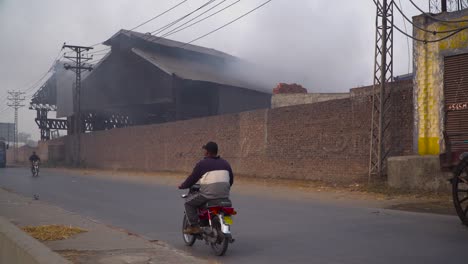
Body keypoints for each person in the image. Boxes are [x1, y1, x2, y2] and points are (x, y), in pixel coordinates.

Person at [178, 141, 234, 234]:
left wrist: (183, 186)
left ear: (207, 152)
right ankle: (224, 228)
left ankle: (194, 227)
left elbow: (192, 178)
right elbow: (230, 180)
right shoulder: (226, 163)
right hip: (224, 196)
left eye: (204, 150)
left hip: (208, 195)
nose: (204, 152)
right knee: (226, 211)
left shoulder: (202, 163)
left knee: (188, 203)